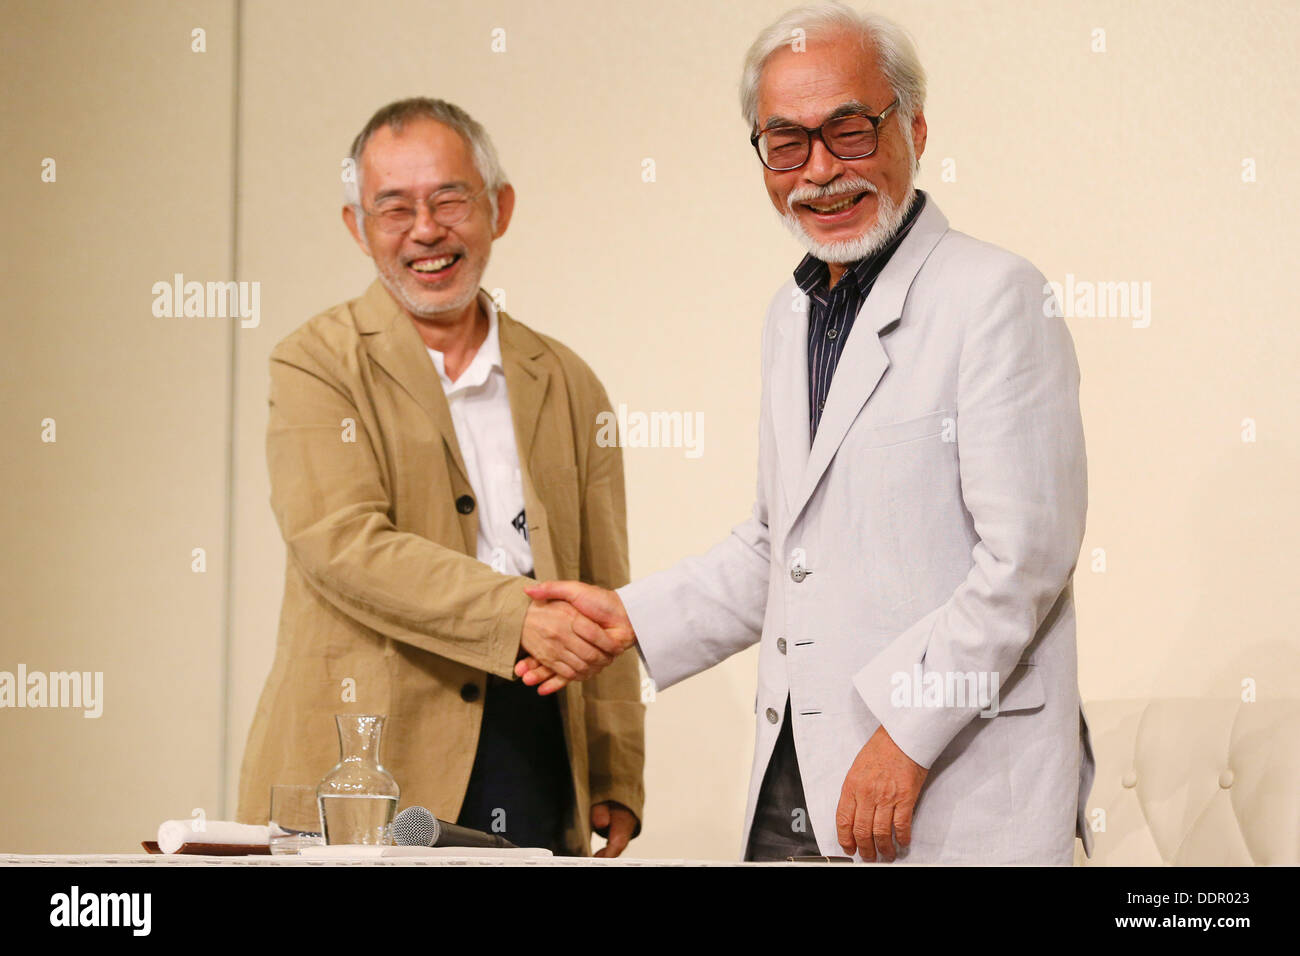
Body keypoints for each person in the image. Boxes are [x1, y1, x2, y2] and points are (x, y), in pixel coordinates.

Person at [518, 4, 1094, 864]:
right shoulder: (790, 316)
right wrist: (631, 619)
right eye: (785, 143)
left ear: (916, 128)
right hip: (798, 774)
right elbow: (778, 544)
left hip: (945, 781)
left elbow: (1026, 561)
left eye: (850, 132)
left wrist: (906, 733)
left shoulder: (996, 295)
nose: (819, 171)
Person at [236, 98, 643, 856]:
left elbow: (604, 579)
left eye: (449, 199)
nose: (425, 230)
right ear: (358, 228)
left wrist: (617, 765)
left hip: (533, 747)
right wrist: (515, 615)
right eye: (393, 209)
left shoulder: (567, 380)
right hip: (360, 756)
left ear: (500, 209)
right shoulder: (315, 363)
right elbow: (340, 543)